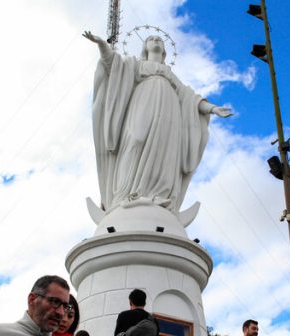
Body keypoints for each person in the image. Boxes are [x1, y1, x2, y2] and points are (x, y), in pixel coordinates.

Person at [83, 30, 232, 213]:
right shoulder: (135, 64)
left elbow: (189, 98)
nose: (155, 40)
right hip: (142, 103)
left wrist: (213, 109)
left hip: (169, 112)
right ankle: (125, 194)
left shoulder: (169, 73)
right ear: (145, 47)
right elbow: (112, 64)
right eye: (151, 39)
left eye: (159, 39)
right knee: (135, 139)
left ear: (164, 51)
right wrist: (102, 45)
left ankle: (159, 195)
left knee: (165, 149)